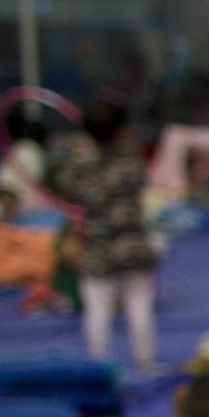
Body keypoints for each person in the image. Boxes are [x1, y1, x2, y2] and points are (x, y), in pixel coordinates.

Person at [58, 98, 159, 371]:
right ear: (121, 130)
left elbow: (67, 189)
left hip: (98, 246)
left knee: (98, 308)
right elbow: (140, 182)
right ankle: (145, 360)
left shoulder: (81, 162)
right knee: (139, 303)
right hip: (133, 244)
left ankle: (97, 363)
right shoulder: (131, 158)